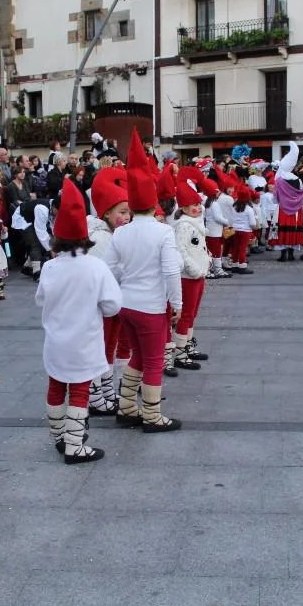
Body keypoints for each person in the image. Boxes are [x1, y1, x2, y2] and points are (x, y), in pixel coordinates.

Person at [37, 176, 122, 463]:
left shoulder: (49, 267)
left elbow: (40, 299)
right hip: (84, 341)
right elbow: (112, 305)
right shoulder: (95, 266)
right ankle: (75, 445)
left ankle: (59, 437)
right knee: (80, 390)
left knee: (56, 386)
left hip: (55, 341)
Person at [103, 130, 183, 433]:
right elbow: (171, 271)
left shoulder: (121, 232)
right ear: (154, 203)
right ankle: (152, 415)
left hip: (126, 304)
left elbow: (110, 269)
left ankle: (126, 408)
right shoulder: (163, 232)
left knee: (137, 355)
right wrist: (177, 302)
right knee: (153, 360)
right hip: (151, 305)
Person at [87, 166, 131, 414]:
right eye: (122, 212)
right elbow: (110, 273)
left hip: (111, 305)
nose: (127, 217)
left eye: (129, 212)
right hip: (100, 306)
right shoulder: (101, 238)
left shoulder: (113, 234)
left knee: (109, 347)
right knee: (101, 348)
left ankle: (106, 389)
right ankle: (95, 395)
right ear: (106, 213)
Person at [172, 177, 211, 369]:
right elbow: (182, 251)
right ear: (184, 208)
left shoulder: (195, 223)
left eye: (198, 204)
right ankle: (180, 352)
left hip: (198, 275)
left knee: (192, 313)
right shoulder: (184, 226)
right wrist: (195, 270)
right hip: (189, 277)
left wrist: (206, 264)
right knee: (186, 314)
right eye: (194, 205)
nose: (198, 208)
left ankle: (187, 345)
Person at [270, 141, 303, 261]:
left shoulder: (279, 180)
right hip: (297, 209)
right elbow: (302, 192)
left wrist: (278, 201)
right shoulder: (298, 179)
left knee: (282, 229)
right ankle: (291, 254)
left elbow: (275, 197)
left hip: (283, 208)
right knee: (294, 229)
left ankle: (283, 254)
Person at [229, 185, 257, 274]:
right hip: (245, 231)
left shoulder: (233, 207)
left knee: (235, 248)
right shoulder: (249, 209)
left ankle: (234, 265)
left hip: (234, 229)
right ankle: (242, 265)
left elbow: (230, 219)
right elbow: (252, 223)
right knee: (243, 248)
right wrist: (254, 228)